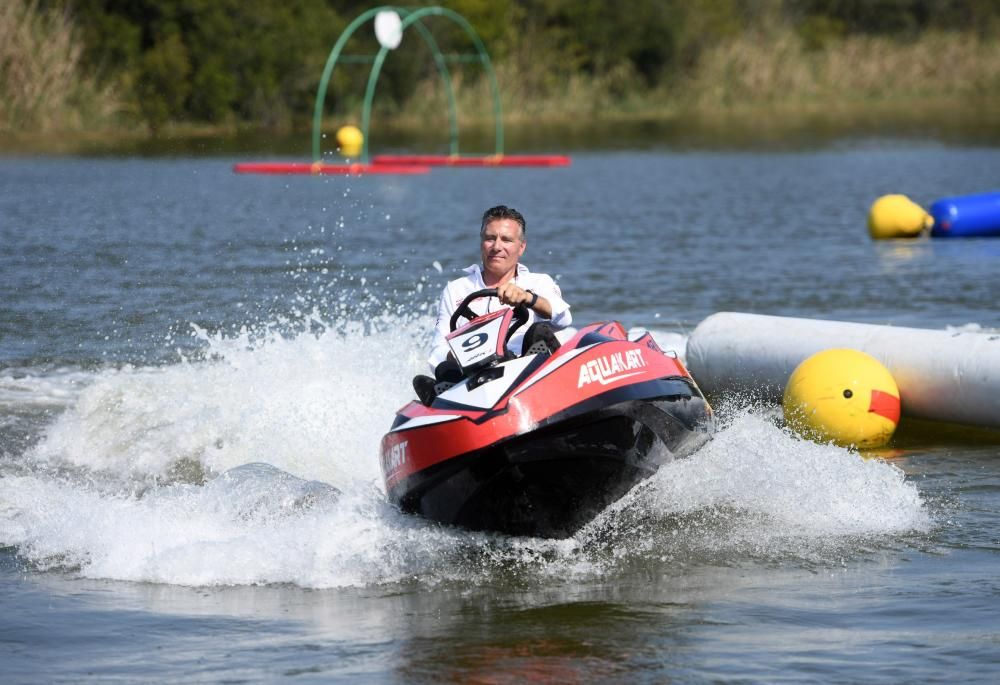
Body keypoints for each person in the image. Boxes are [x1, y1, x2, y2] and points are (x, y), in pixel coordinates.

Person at [425, 205, 572, 382]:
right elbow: (436, 353)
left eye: (506, 240)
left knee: (537, 332)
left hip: (529, 373)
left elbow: (564, 319)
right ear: (481, 243)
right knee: (444, 368)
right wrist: (464, 353)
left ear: (521, 247)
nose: (497, 246)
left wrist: (527, 298)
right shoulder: (456, 289)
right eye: (490, 238)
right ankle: (442, 395)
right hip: (477, 376)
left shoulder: (539, 282)